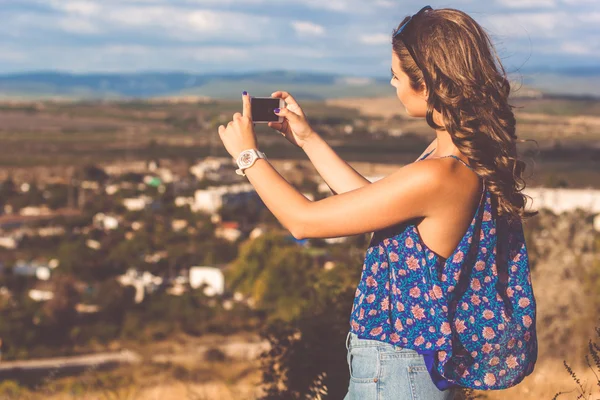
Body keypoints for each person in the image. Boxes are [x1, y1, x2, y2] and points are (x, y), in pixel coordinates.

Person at [217, 5, 538, 399]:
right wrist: (306, 139)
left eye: (397, 75)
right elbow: (371, 207)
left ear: (429, 84)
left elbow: (303, 221)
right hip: (404, 368)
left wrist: (247, 157)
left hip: (398, 372)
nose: (391, 83)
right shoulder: (454, 161)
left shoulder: (440, 174)